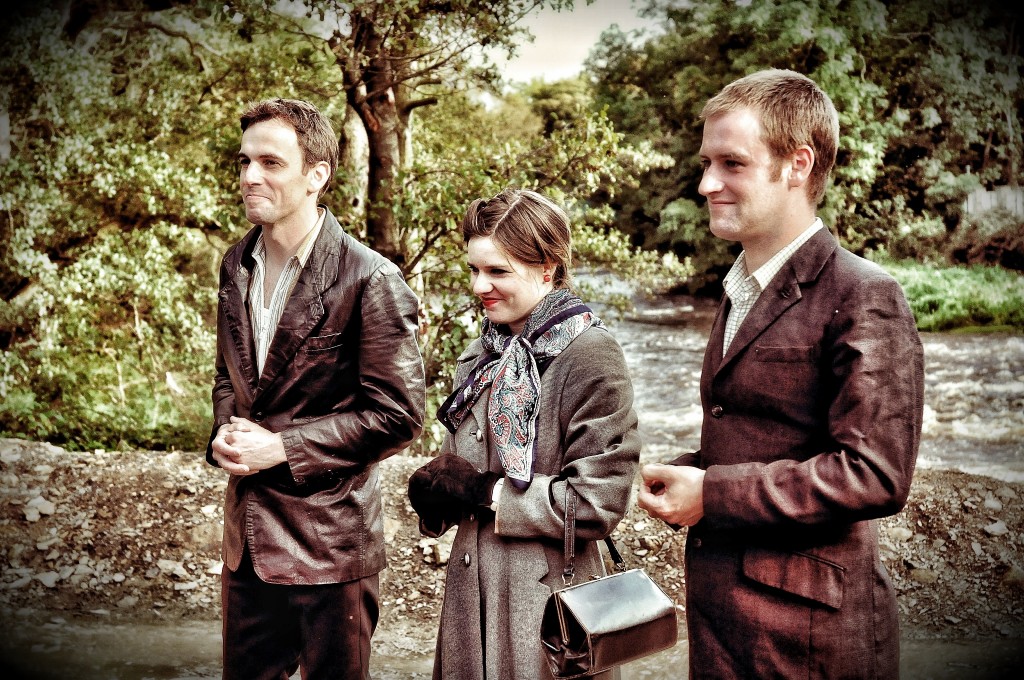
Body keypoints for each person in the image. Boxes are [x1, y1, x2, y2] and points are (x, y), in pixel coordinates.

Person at [637, 69, 924, 678]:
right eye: (707, 162)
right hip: (724, 625)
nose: (707, 182)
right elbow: (767, 433)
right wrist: (692, 470)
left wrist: (712, 494)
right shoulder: (740, 288)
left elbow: (874, 474)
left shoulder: (866, 293)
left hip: (807, 639)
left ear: (797, 164)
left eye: (732, 163)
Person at [207, 97, 426, 680]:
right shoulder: (235, 264)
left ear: (317, 175)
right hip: (246, 545)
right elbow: (228, 376)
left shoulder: (370, 278)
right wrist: (224, 434)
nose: (251, 176)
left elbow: (398, 415)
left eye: (271, 163)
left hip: (331, 548)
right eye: (245, 161)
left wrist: (279, 447)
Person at [408, 188, 642, 680]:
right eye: (474, 270)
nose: (479, 286)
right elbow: (467, 467)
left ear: (548, 268)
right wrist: (440, 493)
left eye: (497, 271)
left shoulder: (590, 356)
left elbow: (600, 501)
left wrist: (487, 491)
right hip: (472, 595)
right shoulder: (483, 354)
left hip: (547, 604)